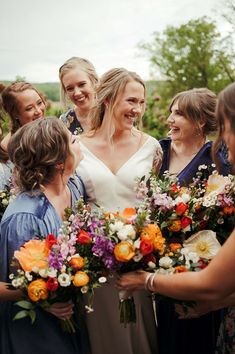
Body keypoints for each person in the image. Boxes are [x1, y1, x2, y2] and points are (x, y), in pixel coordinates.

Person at [116, 82, 235, 353]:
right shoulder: (160, 151)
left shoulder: (218, 159)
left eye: (179, 114)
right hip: (163, 262)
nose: (170, 119)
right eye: (171, 112)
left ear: (200, 121)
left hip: (203, 265)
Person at [77, 68, 163, 354]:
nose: (137, 109)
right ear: (109, 98)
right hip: (94, 262)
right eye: (131, 101)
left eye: (141, 102)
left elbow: (155, 202)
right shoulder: (77, 146)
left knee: (140, 333)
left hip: (138, 260)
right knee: (103, 336)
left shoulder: (151, 147)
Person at [0, 117, 88, 354]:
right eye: (71, 139)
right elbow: (7, 285)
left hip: (72, 314)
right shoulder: (26, 217)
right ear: (59, 161)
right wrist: (46, 298)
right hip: (34, 328)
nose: (77, 139)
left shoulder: (74, 186)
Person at [0, 81, 46, 188]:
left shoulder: (42, 131)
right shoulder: (12, 148)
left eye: (39, 103)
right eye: (29, 108)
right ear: (15, 114)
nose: (38, 111)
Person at [59, 57, 98, 134]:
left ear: (94, 81)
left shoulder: (112, 114)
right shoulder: (64, 122)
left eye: (82, 84)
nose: (77, 93)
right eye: (70, 88)